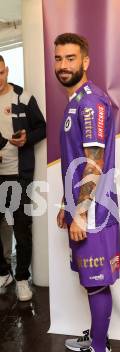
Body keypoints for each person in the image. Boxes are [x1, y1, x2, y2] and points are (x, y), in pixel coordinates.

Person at [54, 33, 120, 352]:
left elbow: (93, 162)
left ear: (85, 62)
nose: (63, 65)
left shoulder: (91, 101)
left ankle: (99, 351)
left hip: (94, 209)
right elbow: (76, 158)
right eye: (59, 59)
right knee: (89, 279)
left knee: (96, 280)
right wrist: (67, 205)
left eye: (70, 58)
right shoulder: (75, 100)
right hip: (81, 205)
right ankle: (97, 337)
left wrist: (80, 210)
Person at [0, 55, 46, 301]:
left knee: (21, 228)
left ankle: (21, 279)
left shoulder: (23, 97)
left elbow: (42, 127)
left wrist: (27, 138)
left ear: (6, 70)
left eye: (0, 73)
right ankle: (3, 272)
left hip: (20, 175)